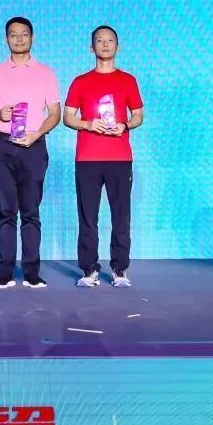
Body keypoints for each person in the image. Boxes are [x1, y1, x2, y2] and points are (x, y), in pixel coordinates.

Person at [0, 17, 61, 289]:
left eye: (24, 34)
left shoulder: (46, 73)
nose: (19, 39)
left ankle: (31, 272)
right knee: (5, 210)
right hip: (3, 146)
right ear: (6, 39)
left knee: (30, 211)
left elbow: (55, 114)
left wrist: (36, 134)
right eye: (13, 35)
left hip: (33, 146)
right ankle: (4, 272)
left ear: (32, 38)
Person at [63, 26, 144, 288]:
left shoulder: (128, 80)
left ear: (117, 47)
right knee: (88, 216)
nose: (105, 44)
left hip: (120, 157)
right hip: (87, 158)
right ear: (92, 48)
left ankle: (120, 269)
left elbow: (138, 115)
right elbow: (67, 117)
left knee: (121, 215)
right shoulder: (80, 81)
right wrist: (88, 124)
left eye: (110, 40)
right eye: (99, 40)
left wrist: (125, 125)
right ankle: (89, 270)